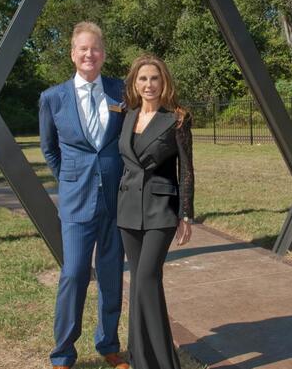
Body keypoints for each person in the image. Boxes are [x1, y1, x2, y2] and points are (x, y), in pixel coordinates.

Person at [39, 22, 130, 369]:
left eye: (95, 49)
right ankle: (63, 353)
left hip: (114, 201)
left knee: (110, 276)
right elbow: (49, 149)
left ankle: (108, 344)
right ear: (72, 54)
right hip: (76, 204)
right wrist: (70, 179)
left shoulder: (120, 91)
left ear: (103, 54)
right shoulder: (52, 98)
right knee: (74, 273)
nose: (89, 54)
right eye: (83, 49)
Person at [117, 54, 194, 369]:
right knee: (138, 282)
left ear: (164, 83)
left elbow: (186, 170)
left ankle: (162, 362)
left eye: (155, 78)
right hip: (128, 210)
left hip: (161, 209)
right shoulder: (126, 115)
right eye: (143, 79)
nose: (149, 85)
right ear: (135, 83)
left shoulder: (176, 118)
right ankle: (141, 358)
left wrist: (186, 213)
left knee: (148, 278)